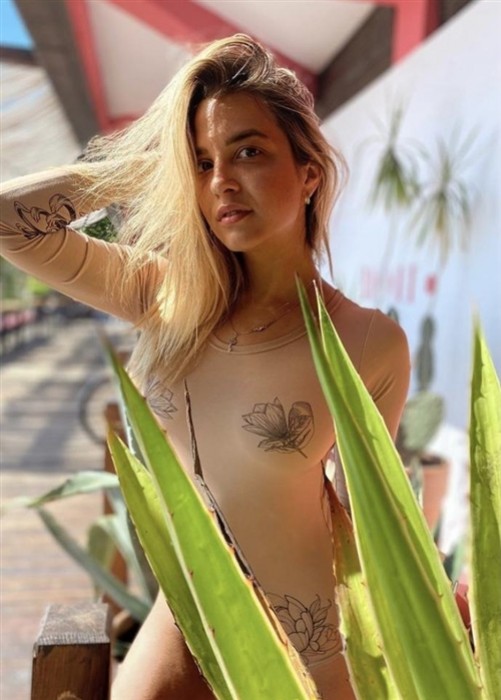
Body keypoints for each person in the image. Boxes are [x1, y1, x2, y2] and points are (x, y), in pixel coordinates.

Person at [0, 35, 410, 700]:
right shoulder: (164, 296)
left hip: (308, 642)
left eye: (248, 151)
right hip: (185, 615)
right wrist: (150, 166)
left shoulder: (366, 341)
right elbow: (9, 222)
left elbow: (370, 523)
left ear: (308, 173)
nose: (221, 180)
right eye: (202, 162)